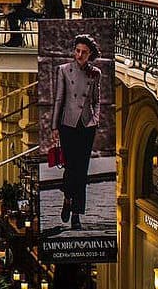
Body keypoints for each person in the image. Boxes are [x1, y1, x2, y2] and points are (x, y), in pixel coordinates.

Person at [51, 34, 102, 231]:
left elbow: (96, 99)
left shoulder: (95, 73)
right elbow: (59, 99)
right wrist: (55, 126)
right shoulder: (64, 70)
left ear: (90, 54)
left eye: (84, 52)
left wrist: (95, 119)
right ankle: (67, 198)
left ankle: (76, 214)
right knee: (71, 167)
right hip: (68, 124)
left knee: (82, 170)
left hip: (86, 125)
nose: (79, 55)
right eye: (77, 51)